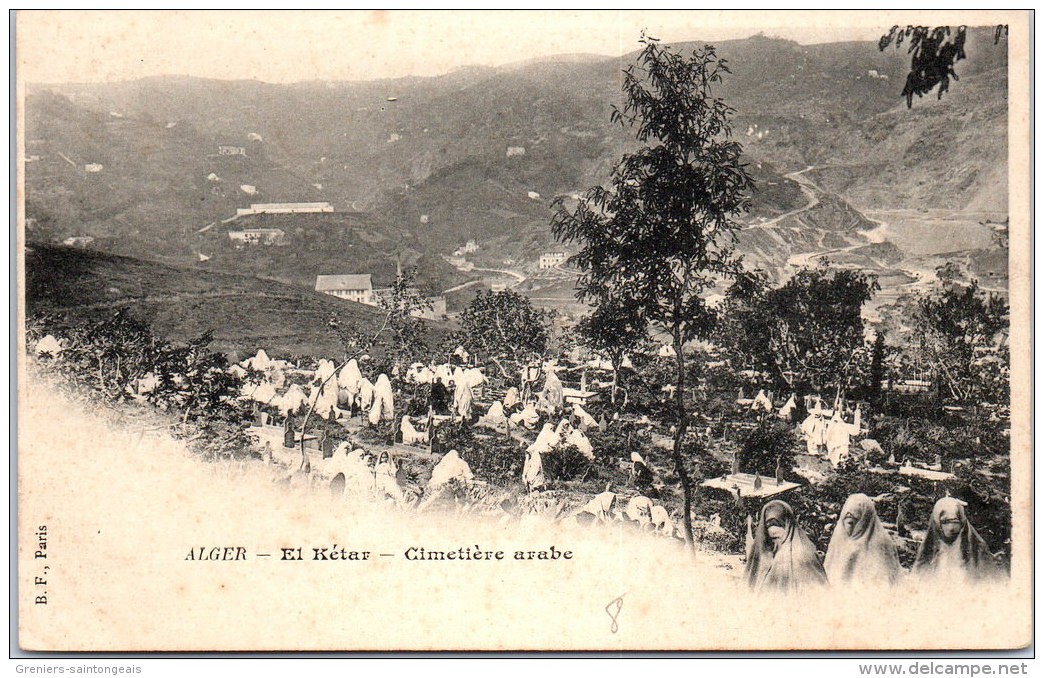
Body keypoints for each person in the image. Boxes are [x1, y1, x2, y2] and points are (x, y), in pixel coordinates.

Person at [912, 497, 1000, 584]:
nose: (951, 528)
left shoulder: (978, 548)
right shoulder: (927, 552)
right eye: (945, 522)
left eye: (955, 521)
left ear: (962, 521)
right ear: (937, 523)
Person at [746, 500, 828, 592]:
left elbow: (820, 593)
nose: (773, 530)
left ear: (788, 524)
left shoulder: (803, 555)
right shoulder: (762, 553)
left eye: (778, 524)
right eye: (768, 524)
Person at [823, 494, 903, 586]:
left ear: (864, 521)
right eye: (846, 521)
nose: (848, 528)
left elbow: (884, 581)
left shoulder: (880, 543)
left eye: (854, 522)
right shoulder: (839, 540)